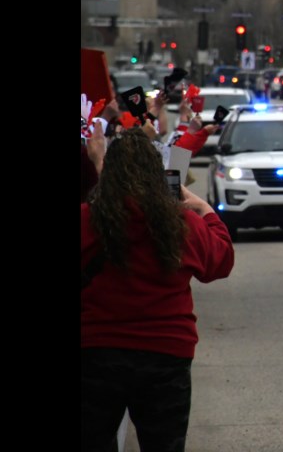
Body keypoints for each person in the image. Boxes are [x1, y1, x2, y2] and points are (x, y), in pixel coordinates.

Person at [81, 127, 234, 452]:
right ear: (158, 175)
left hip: (97, 352)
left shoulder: (89, 220)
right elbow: (219, 263)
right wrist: (203, 209)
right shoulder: (182, 223)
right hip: (167, 355)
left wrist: (97, 164)